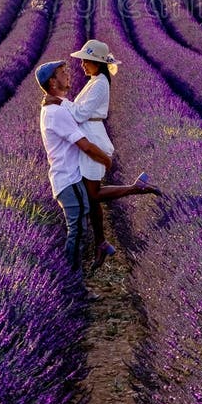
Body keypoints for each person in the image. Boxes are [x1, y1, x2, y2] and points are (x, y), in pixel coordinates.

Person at [44, 40, 162, 271]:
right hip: (90, 133)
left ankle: (136, 188)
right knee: (91, 195)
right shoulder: (94, 81)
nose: (82, 65)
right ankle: (101, 242)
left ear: (97, 63)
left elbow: (80, 114)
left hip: (94, 138)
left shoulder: (99, 84)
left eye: (85, 61)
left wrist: (58, 100)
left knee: (93, 193)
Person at [36, 59, 112, 295]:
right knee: (77, 232)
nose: (68, 74)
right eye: (62, 72)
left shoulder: (58, 106)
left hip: (69, 180)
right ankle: (72, 287)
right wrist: (106, 160)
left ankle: (75, 282)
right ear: (52, 81)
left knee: (79, 231)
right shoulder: (55, 113)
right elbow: (85, 146)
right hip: (67, 180)